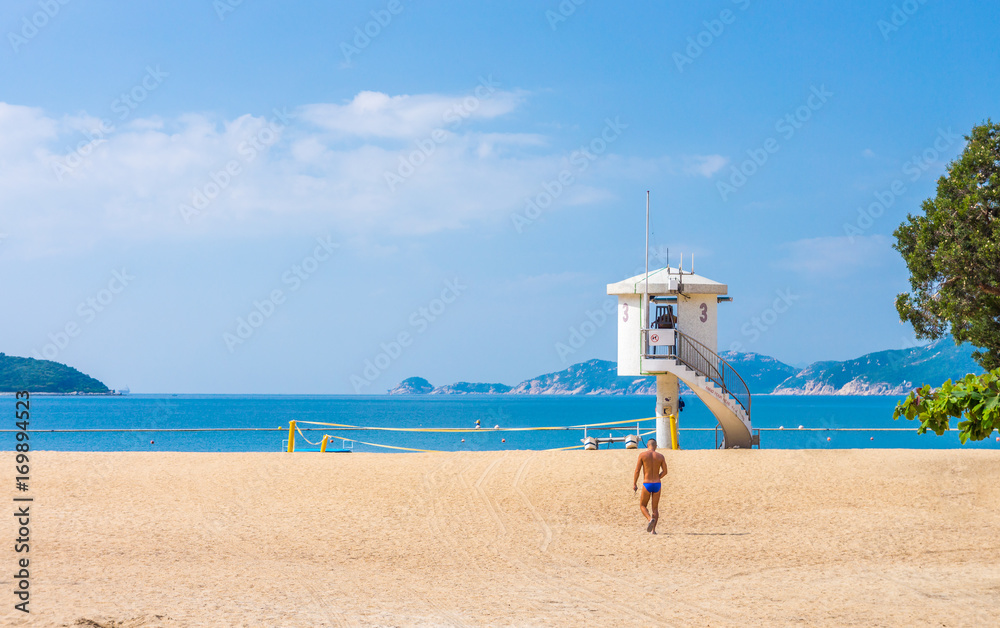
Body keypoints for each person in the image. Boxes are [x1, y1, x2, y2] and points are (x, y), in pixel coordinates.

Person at [632, 438, 668, 533]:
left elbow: (637, 470)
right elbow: (665, 471)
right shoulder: (660, 456)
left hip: (647, 483)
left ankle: (649, 519)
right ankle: (653, 530)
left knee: (642, 505)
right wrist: (658, 477)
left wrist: (634, 483)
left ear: (647, 445)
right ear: (655, 446)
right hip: (657, 484)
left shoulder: (642, 455)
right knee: (655, 508)